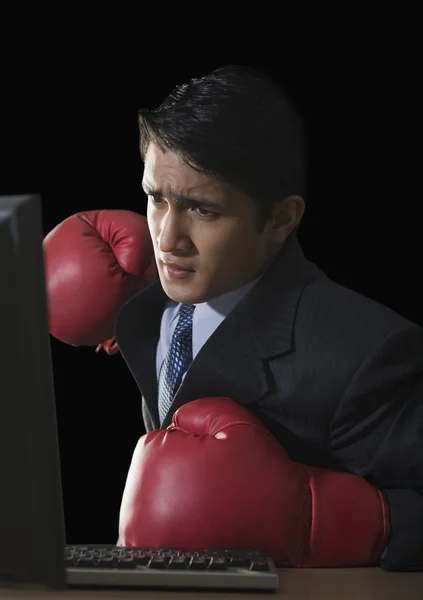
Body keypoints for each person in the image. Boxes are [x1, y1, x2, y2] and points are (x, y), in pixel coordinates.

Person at [109, 65, 423, 571]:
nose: (167, 239)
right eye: (155, 198)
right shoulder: (149, 309)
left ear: (282, 218)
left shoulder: (364, 354)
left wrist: (327, 522)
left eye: (202, 209)